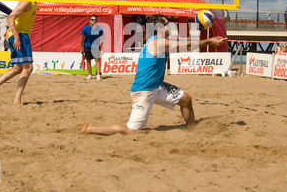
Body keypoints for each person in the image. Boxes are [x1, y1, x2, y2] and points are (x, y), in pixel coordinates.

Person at [81, 14, 227, 136]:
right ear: (159, 28)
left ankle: (192, 129)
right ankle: (91, 129)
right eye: (167, 24)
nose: (170, 26)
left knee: (186, 99)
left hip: (156, 86)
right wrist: (208, 41)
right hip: (143, 90)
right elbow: (187, 45)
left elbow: (184, 42)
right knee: (131, 131)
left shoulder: (162, 42)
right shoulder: (156, 43)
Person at [0, 0, 44, 104]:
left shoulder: (33, 1)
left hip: (18, 34)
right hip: (20, 35)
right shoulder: (27, 1)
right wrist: (16, 36)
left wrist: (8, 29)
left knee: (18, 68)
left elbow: (12, 16)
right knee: (28, 68)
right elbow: (11, 16)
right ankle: (17, 100)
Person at [80, 15, 104, 80]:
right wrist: (81, 48)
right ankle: (90, 75)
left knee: (97, 60)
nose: (94, 21)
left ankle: (98, 75)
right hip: (87, 46)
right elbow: (82, 38)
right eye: (92, 20)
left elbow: (103, 38)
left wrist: (102, 48)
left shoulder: (99, 28)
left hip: (96, 46)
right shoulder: (85, 28)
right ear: (89, 21)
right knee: (88, 60)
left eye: (95, 20)